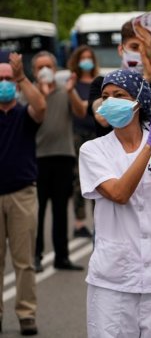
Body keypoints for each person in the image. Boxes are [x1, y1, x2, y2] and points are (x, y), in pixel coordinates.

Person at [78, 70, 151, 337]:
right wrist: (149, 147)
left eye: (119, 95)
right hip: (114, 281)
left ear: (139, 101)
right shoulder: (93, 150)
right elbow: (119, 193)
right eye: (105, 97)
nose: (110, 102)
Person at [0, 52, 46, 336]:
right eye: (0, 79)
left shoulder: (24, 115)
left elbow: (40, 106)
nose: (4, 83)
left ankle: (26, 313)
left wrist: (21, 76)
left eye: (8, 79)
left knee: (24, 260)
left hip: (22, 194)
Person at [32, 51, 87, 273]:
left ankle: (62, 256)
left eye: (48, 66)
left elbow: (81, 112)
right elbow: (35, 114)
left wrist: (72, 91)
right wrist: (42, 94)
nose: (45, 70)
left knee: (60, 210)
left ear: (55, 69)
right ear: (34, 71)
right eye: (40, 67)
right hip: (38, 158)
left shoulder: (65, 92)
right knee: (38, 211)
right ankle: (36, 255)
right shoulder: (30, 94)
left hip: (63, 156)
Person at [87, 20, 151, 137]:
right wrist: (145, 81)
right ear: (121, 49)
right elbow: (102, 119)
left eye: (146, 49)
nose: (141, 53)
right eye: (134, 47)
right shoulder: (102, 84)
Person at [67, 45, 99, 238]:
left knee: (98, 179)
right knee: (79, 179)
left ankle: (99, 221)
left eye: (89, 57)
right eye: (83, 58)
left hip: (96, 134)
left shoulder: (97, 82)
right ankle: (79, 223)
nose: (86, 61)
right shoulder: (73, 83)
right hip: (78, 134)